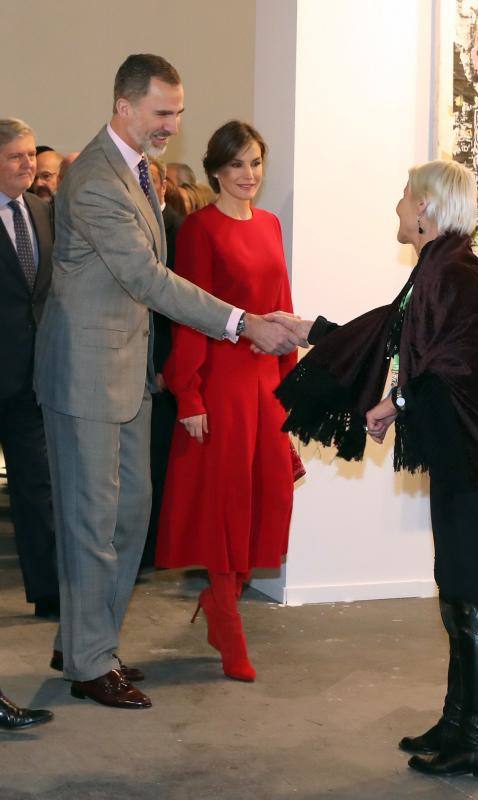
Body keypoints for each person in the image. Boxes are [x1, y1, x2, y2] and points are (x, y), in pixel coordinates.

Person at [34, 54, 302, 711]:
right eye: (161, 113)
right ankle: (89, 663)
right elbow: (147, 279)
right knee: (92, 521)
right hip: (85, 375)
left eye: (178, 113)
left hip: (126, 374)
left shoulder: (140, 171)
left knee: (126, 517)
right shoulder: (97, 177)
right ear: (123, 105)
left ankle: (83, 641)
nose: (171, 125)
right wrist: (241, 322)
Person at [274, 160, 478, 778]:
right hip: (458, 447)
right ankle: (457, 720)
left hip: (471, 450)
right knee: (454, 591)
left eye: (407, 195)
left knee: (468, 597)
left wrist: (394, 402)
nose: (399, 205)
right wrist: (310, 331)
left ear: (429, 209)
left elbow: (450, 364)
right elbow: (389, 336)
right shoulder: (437, 269)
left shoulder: (455, 274)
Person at [155, 121, 296, 683]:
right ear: (216, 169)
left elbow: (283, 311)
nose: (248, 175)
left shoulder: (270, 224)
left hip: (265, 385)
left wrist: (292, 391)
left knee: (267, 496)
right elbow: (189, 315)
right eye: (237, 165)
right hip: (220, 382)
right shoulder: (199, 228)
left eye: (256, 163)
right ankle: (227, 616)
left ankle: (221, 603)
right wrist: (188, 393)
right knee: (225, 502)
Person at [0, 118, 55, 729]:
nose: (26, 166)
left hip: (30, 380)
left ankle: (48, 591)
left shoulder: (40, 212)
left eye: (28, 156)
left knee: (37, 486)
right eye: (15, 156)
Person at [140, 157, 182, 568]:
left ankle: (152, 549)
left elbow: (175, 303)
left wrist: (165, 363)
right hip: (140, 357)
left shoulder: (178, 228)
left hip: (163, 362)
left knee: (158, 460)